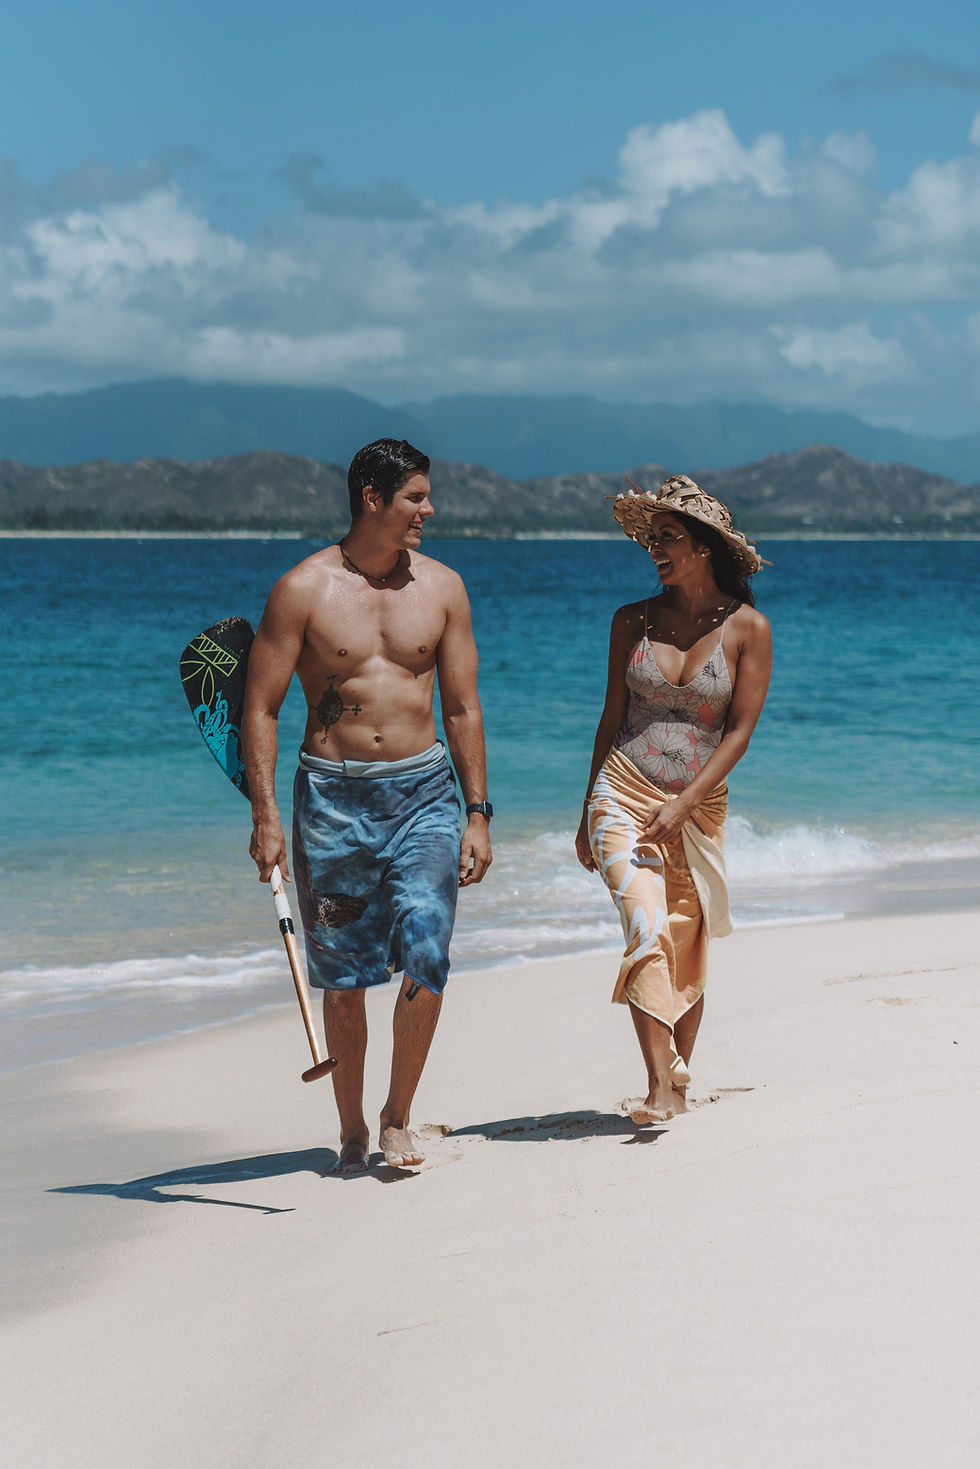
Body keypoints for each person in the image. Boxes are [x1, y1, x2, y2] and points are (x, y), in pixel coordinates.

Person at [243, 438, 492, 1174]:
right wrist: (263, 817)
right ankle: (350, 1127)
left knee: (428, 949)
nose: (429, 509)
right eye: (415, 496)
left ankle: (396, 1117)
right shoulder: (303, 590)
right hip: (333, 801)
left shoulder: (443, 587)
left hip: (424, 796)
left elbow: (463, 708)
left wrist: (478, 811)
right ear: (373, 500)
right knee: (345, 978)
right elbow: (259, 708)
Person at [574, 473, 771, 1124]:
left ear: (705, 546)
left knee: (688, 942)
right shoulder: (630, 620)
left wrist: (684, 805)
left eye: (669, 538)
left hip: (697, 805)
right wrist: (585, 809)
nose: (656, 549)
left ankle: (678, 1084)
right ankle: (658, 1084)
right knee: (646, 926)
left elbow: (739, 731)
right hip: (622, 789)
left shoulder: (748, 629)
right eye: (652, 539)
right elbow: (609, 717)